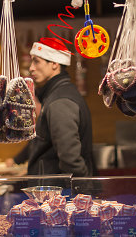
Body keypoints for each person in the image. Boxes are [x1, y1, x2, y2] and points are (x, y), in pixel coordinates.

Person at [22, 37, 95, 176]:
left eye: (36, 61)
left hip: (59, 193)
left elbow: (70, 159)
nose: (31, 68)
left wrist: (81, 187)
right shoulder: (56, 95)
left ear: (54, 63)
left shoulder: (60, 100)